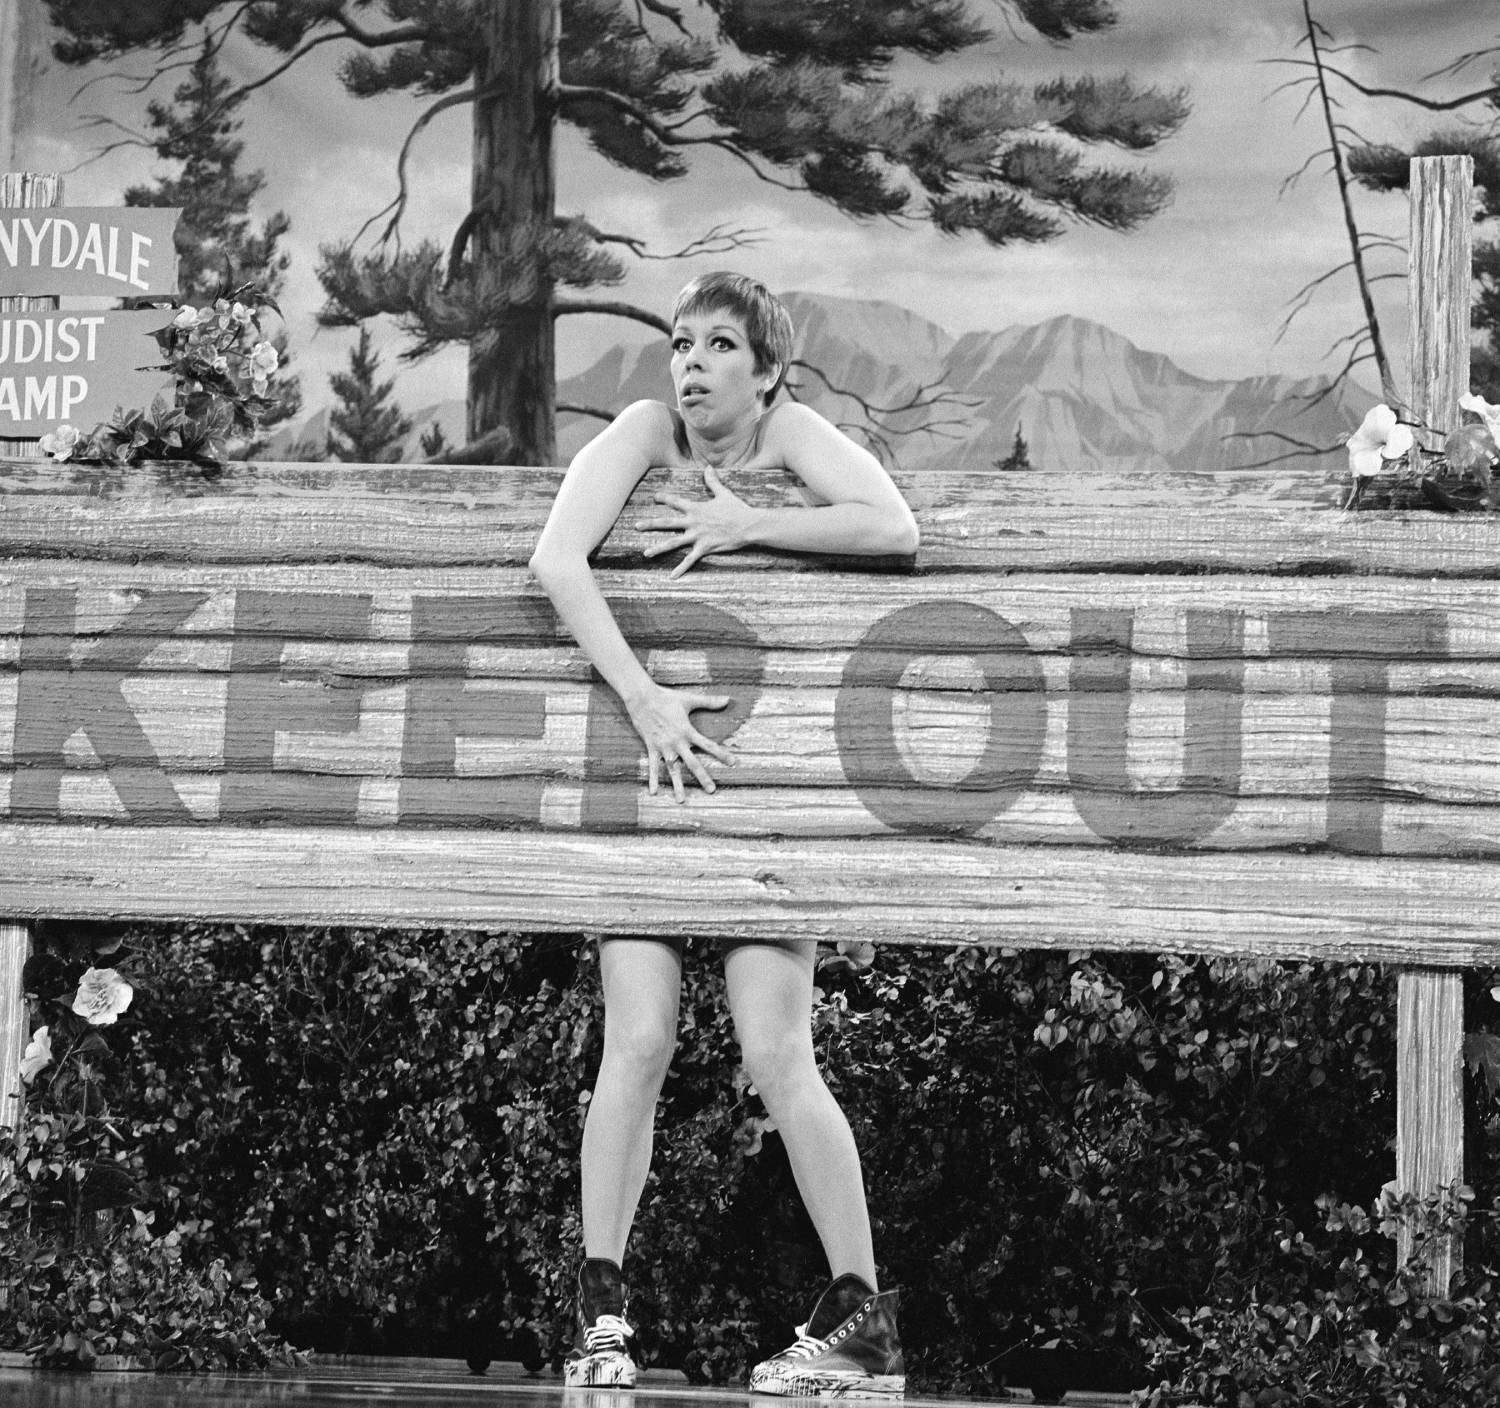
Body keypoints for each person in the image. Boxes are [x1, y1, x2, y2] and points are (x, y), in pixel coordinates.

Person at [529, 271, 918, 1399]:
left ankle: (862, 1326)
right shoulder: (645, 431)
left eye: (718, 345)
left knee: (776, 1051)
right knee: (638, 1041)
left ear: (766, 370)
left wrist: (752, 522)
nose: (690, 362)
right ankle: (600, 1313)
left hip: (756, 788)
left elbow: (893, 526)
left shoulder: (790, 433)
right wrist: (644, 697)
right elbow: (556, 559)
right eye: (680, 342)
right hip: (652, 776)